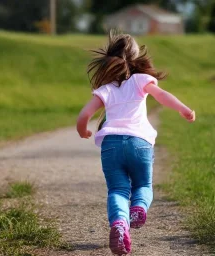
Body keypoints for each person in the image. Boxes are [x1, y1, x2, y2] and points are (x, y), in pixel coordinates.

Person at [76, 31, 195, 255]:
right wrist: (184, 110)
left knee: (118, 190)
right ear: (135, 56)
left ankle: (120, 224)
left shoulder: (106, 89)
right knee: (143, 186)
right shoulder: (141, 80)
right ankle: (138, 208)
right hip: (140, 143)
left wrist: (83, 131)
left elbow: (84, 116)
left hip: (111, 145)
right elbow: (162, 96)